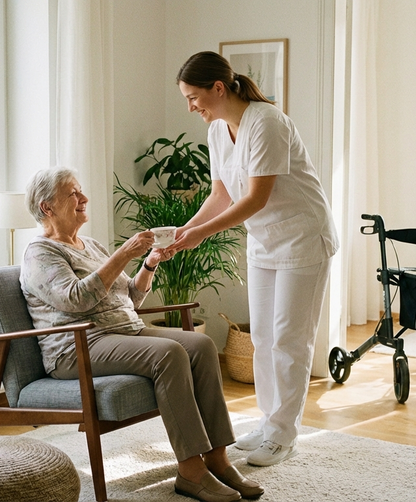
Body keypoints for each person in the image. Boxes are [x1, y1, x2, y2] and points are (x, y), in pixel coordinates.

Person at [19, 167, 264, 502]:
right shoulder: (40, 252)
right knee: (168, 353)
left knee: (201, 345)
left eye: (80, 191)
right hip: (78, 346)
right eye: (73, 193)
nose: (83, 198)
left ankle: (217, 459)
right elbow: (76, 299)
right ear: (47, 207)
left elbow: (129, 299)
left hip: (123, 331)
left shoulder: (88, 245)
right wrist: (123, 254)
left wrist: (149, 263)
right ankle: (191, 472)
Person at [171, 51, 339, 467]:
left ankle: (284, 434)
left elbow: (255, 197)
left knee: (289, 340)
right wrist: (183, 231)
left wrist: (199, 236)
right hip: (264, 242)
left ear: (218, 88)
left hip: (302, 239)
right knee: (262, 338)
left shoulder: (267, 122)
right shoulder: (215, 132)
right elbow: (221, 194)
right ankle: (268, 423)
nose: (191, 107)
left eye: (194, 97)